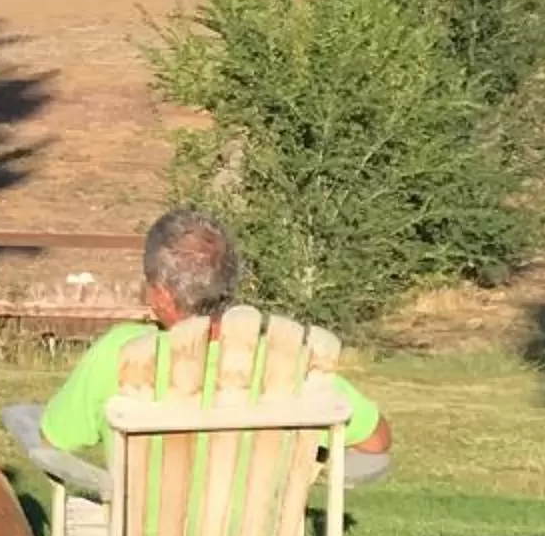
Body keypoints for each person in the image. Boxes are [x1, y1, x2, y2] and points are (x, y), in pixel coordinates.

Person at [38, 206, 390, 480]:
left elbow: (53, 441)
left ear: (160, 294)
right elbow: (375, 443)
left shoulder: (123, 353)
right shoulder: (283, 363)